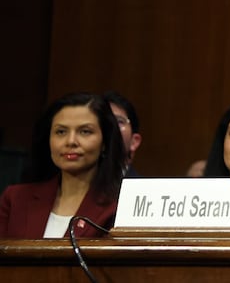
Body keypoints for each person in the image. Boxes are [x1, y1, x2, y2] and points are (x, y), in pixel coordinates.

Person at [0, 92, 125, 238]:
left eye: (85, 131)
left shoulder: (119, 206)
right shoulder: (15, 199)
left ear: (104, 142)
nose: (71, 141)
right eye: (61, 132)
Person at [103, 91, 143, 177]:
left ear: (134, 141)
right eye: (103, 120)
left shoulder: (143, 186)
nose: (109, 126)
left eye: (119, 121)